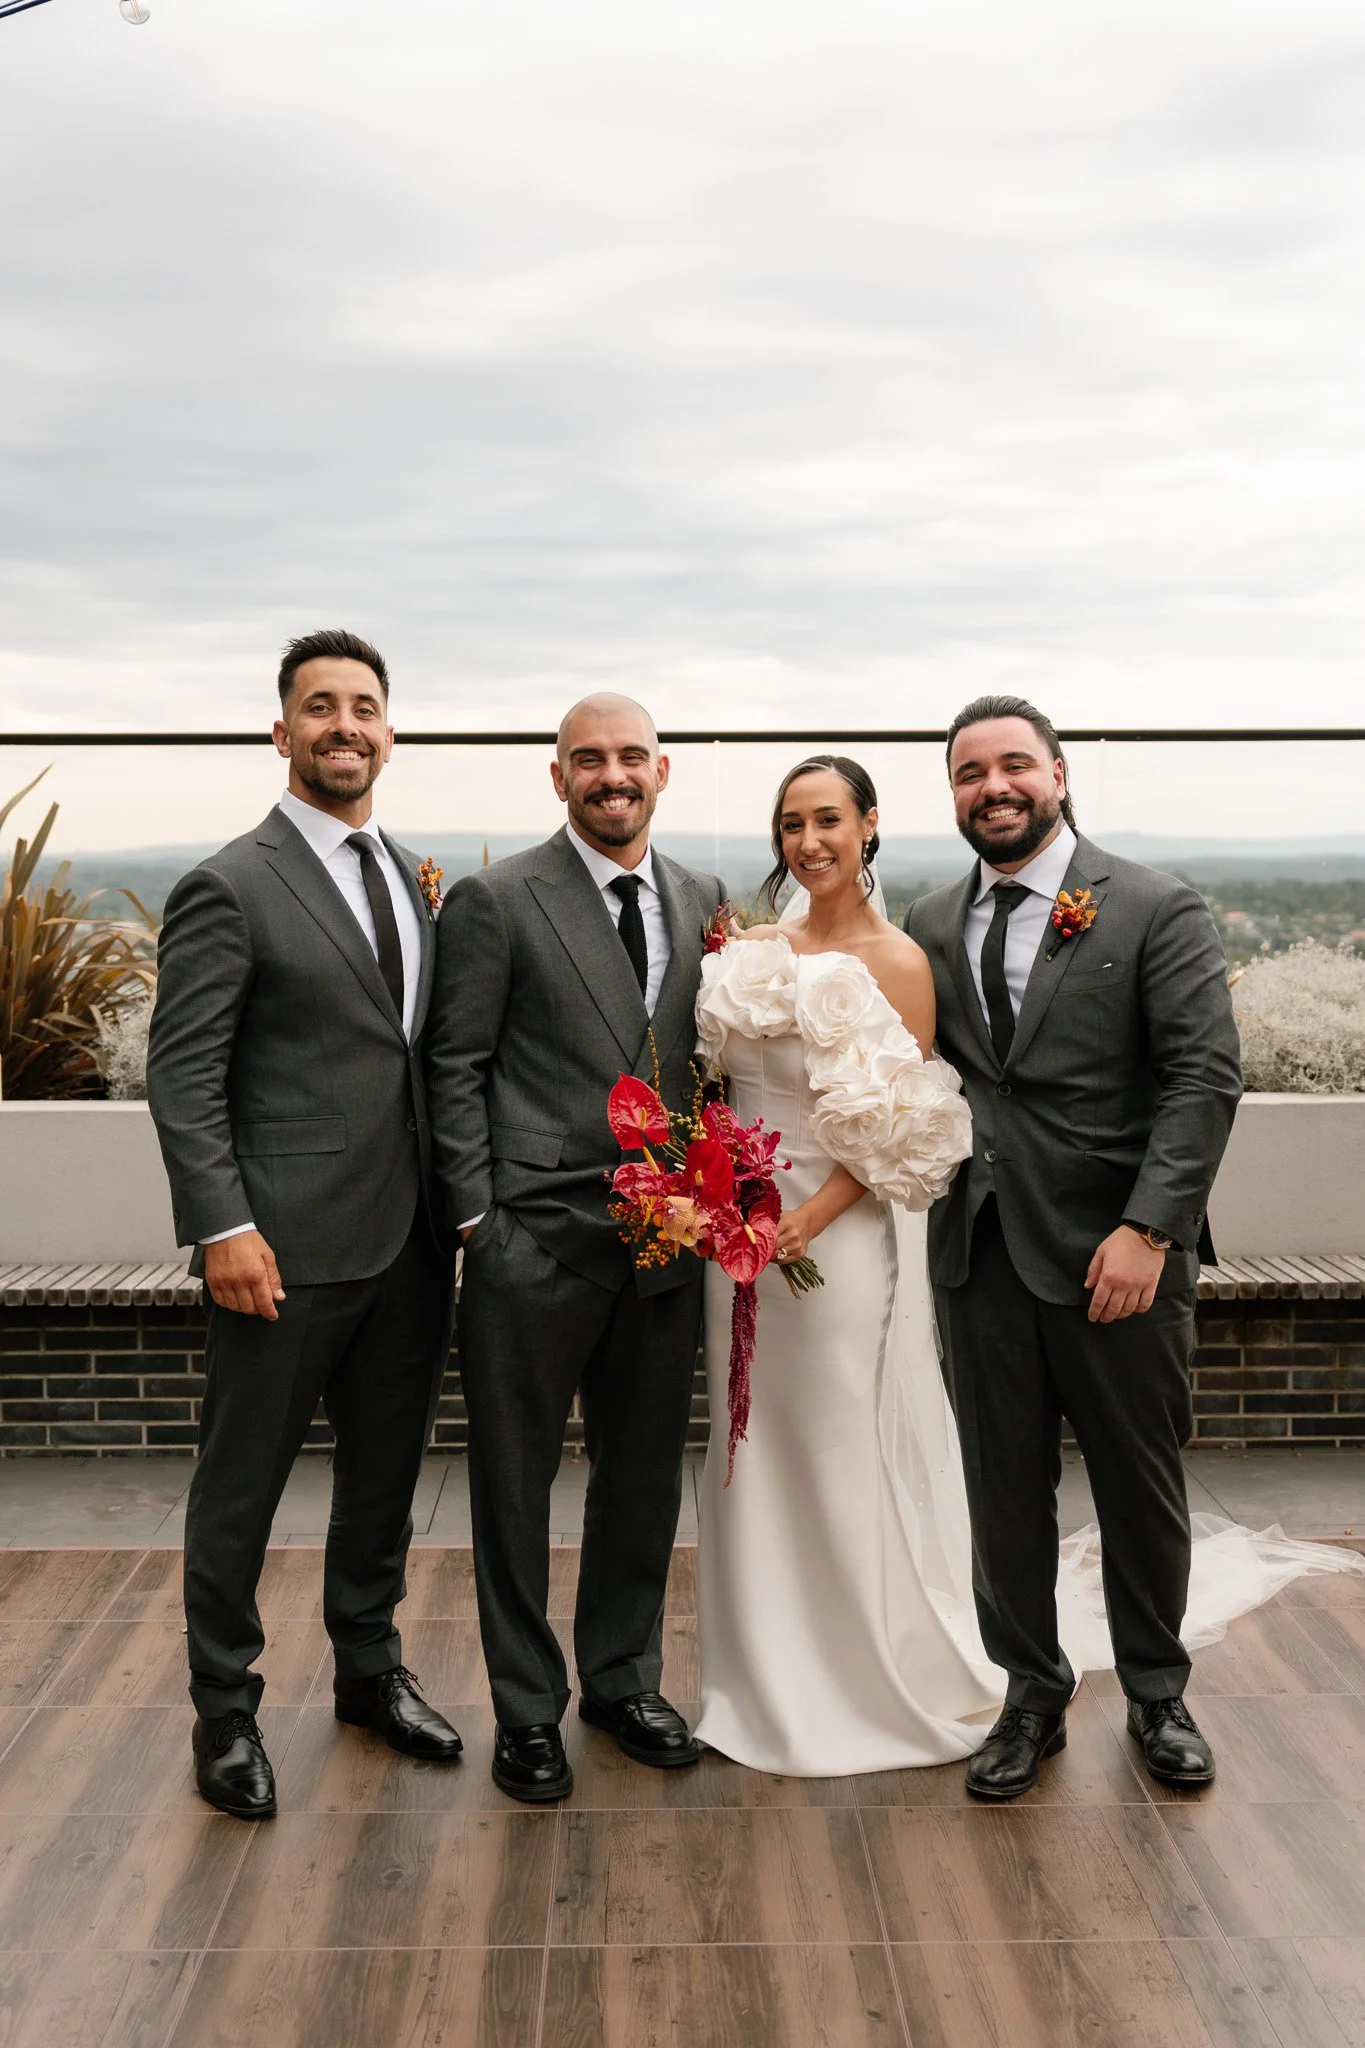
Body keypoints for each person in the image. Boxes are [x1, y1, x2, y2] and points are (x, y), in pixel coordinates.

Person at [147, 628, 462, 1821]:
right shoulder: (230, 882)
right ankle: (224, 1708)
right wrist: (223, 1224)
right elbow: (183, 1076)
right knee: (242, 1485)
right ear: (280, 730)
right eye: (319, 706)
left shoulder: (419, 875)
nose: (346, 724)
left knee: (384, 1479)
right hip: (279, 1249)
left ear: (390, 729)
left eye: (365, 706)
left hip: (410, 1243)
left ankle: (369, 1672)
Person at [906, 693, 1243, 1797]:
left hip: (1120, 1257)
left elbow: (1203, 1077)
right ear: (952, 792)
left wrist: (1151, 1227)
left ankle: (1157, 1692)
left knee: (1139, 1485)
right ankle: (1031, 1695)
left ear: (1057, 773)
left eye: (1013, 765)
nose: (992, 787)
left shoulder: (1153, 905)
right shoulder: (925, 920)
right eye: (968, 772)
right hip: (982, 1252)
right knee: (1001, 1492)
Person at [425, 693, 726, 1802]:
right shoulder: (497, 900)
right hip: (532, 1244)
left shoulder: (704, 899)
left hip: (664, 1248)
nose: (613, 774)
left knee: (645, 1480)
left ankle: (621, 1677)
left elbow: (709, 1064)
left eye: (631, 756)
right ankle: (525, 1706)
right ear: (556, 778)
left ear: (662, 771)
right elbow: (452, 1064)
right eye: (588, 758)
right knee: (513, 1485)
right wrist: (476, 1223)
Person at [694, 756, 1002, 1774]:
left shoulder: (899, 960)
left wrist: (811, 1217)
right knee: (750, 1440)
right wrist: (721, 1192)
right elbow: (723, 1092)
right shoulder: (751, 950)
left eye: (829, 818)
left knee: (834, 1438)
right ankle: (760, 1669)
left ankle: (863, 1670)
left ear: (869, 825)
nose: (809, 839)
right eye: (791, 822)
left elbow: (906, 1129)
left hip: (836, 1237)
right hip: (738, 1239)